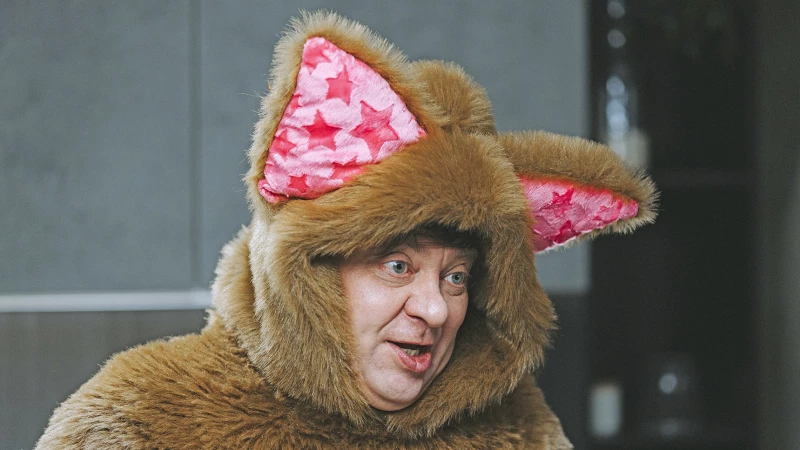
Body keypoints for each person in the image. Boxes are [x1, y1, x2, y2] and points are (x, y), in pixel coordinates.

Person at [37, 11, 656, 449]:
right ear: (306, 274)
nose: (436, 309)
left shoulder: (518, 429)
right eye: (397, 266)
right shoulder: (142, 421)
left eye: (457, 276)